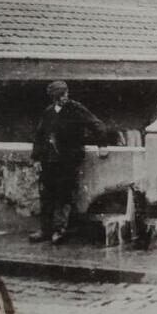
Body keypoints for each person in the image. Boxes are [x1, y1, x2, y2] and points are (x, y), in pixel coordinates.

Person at [30, 80, 107, 245]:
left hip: (68, 160)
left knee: (63, 195)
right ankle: (45, 230)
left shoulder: (76, 109)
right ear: (54, 97)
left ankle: (60, 230)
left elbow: (96, 124)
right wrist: (36, 158)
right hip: (49, 161)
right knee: (46, 196)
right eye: (61, 95)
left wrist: (102, 144)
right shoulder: (48, 112)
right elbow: (39, 136)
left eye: (65, 94)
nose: (65, 97)